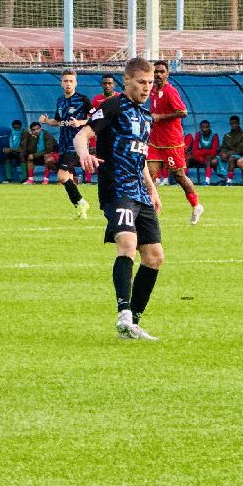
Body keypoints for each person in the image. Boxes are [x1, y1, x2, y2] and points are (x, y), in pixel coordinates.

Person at [75, 56, 164, 341]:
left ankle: (133, 323)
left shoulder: (146, 116)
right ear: (127, 81)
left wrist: (152, 189)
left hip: (140, 191)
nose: (147, 87)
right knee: (127, 243)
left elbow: (141, 157)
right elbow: (82, 134)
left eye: (150, 83)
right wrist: (84, 154)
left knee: (154, 257)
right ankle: (123, 311)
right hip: (117, 190)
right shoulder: (113, 106)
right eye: (141, 82)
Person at [148, 60, 203, 224]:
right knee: (149, 176)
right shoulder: (152, 90)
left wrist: (159, 117)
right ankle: (150, 213)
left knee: (179, 176)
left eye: (161, 71)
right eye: (155, 71)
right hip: (155, 141)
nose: (158, 74)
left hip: (172, 141)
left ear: (167, 73)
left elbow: (183, 112)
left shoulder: (170, 91)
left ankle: (196, 205)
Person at [39, 69, 91, 219]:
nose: (68, 83)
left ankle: (81, 202)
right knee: (65, 178)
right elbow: (58, 121)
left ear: (76, 83)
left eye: (71, 81)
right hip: (63, 143)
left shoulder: (83, 100)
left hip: (76, 143)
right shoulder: (60, 101)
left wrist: (80, 122)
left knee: (62, 176)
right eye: (65, 81)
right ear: (61, 83)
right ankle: (80, 207)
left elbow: (95, 119)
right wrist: (46, 121)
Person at [220, 115, 243, 183]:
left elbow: (240, 151)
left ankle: (229, 181)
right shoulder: (227, 135)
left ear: (238, 123)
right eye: (232, 123)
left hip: (241, 156)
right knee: (215, 160)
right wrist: (223, 154)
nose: (233, 125)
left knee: (231, 158)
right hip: (227, 155)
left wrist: (227, 154)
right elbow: (223, 147)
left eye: (235, 123)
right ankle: (221, 179)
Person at [186, 120, 221, 185]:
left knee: (208, 158)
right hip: (201, 157)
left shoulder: (214, 135)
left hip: (211, 157)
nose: (205, 129)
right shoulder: (198, 134)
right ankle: (184, 179)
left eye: (206, 127)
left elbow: (213, 152)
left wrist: (201, 151)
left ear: (209, 127)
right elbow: (194, 150)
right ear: (200, 128)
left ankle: (207, 180)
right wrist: (204, 153)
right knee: (188, 157)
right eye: (203, 127)